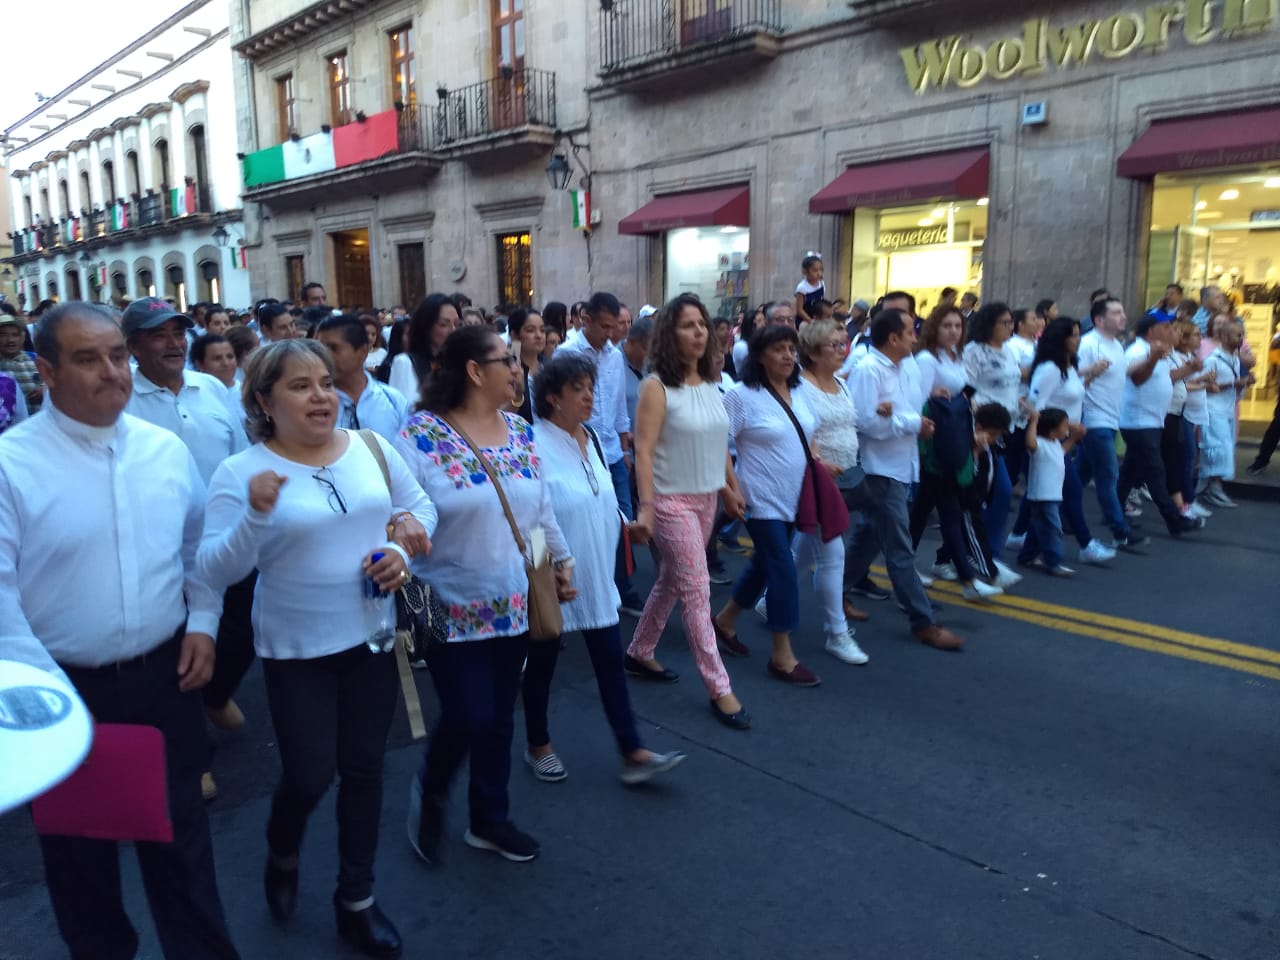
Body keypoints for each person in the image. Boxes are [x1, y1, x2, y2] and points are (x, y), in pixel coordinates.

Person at [0, 302, 240, 960]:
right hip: (66, 689)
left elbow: (198, 551)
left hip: (166, 679)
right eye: (87, 358)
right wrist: (47, 698)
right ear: (45, 371)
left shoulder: (163, 451)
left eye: (116, 355)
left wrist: (203, 622)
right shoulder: (11, 464)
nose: (112, 371)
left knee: (182, 843)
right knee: (82, 862)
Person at [199, 339, 434, 959]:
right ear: (263, 402)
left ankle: (355, 900)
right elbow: (215, 570)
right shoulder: (240, 472)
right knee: (310, 773)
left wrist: (403, 552)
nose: (321, 395)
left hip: (373, 639)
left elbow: (420, 508)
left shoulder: (371, 449)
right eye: (300, 385)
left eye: (325, 382)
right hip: (295, 649)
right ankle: (283, 845)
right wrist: (254, 514)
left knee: (363, 768)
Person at [398, 325, 573, 866]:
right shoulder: (420, 436)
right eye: (506, 361)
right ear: (475, 371)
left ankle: (488, 819)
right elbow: (400, 510)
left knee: (499, 716)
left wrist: (556, 565)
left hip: (513, 601)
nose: (518, 369)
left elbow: (537, 512)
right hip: (446, 604)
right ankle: (430, 789)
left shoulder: (520, 431)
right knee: (470, 714)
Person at [520, 353, 687, 785]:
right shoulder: (531, 444)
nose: (590, 396)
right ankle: (538, 744)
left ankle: (632, 750)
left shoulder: (592, 437)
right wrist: (544, 571)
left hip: (594, 570)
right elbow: (530, 516)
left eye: (592, 387)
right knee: (541, 663)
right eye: (579, 389)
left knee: (611, 662)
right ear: (553, 399)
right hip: (553, 574)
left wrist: (624, 526)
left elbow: (599, 497)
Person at [123, 297, 252, 800]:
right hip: (162, 550)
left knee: (240, 631)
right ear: (133, 346)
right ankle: (194, 754)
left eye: (178, 332)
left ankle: (216, 693)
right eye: (159, 335)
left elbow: (241, 455)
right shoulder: (123, 397)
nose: (175, 343)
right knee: (179, 653)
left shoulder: (211, 390)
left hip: (226, 539)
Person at [626, 294, 749, 729]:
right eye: (687, 325)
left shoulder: (712, 383)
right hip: (670, 501)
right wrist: (646, 508)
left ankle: (640, 651)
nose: (699, 332)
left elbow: (718, 445)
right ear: (669, 334)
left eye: (702, 324)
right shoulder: (656, 387)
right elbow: (642, 450)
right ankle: (720, 687)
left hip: (706, 500)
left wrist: (730, 488)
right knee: (698, 591)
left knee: (673, 582)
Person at [844, 308, 963, 651]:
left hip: (901, 465)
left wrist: (911, 417)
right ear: (893, 338)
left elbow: (907, 408)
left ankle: (836, 591)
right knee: (899, 546)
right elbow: (865, 422)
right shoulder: (869, 370)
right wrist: (910, 423)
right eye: (911, 331)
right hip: (878, 468)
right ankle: (922, 620)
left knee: (871, 536)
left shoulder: (905, 367)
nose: (917, 336)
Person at [711, 324, 822, 687]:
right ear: (760, 355)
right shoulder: (741, 396)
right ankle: (782, 655)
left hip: (796, 495)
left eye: (792, 348)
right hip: (758, 497)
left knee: (763, 563)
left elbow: (809, 431)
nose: (788, 355)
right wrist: (731, 488)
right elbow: (718, 443)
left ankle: (725, 620)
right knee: (782, 567)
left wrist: (817, 457)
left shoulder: (801, 390)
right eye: (779, 349)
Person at [788, 319, 870, 661]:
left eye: (844, 343)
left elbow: (851, 423)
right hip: (816, 480)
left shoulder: (841, 383)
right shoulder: (800, 388)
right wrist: (818, 461)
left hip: (845, 478)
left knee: (805, 548)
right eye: (834, 345)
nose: (842, 350)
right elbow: (798, 432)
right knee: (832, 552)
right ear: (812, 352)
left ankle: (764, 597)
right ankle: (836, 633)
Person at [910, 305, 1005, 599]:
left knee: (923, 510)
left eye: (957, 326)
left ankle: (900, 563)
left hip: (955, 438)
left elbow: (963, 394)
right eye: (946, 325)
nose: (953, 331)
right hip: (936, 446)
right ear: (934, 328)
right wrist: (932, 396)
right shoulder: (927, 359)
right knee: (950, 509)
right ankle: (968, 581)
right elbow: (916, 402)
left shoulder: (955, 358)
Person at [556, 292, 642, 615]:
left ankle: (620, 585)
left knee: (620, 521)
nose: (610, 333)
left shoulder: (614, 356)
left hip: (613, 453)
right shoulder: (566, 353)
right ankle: (571, 586)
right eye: (605, 326)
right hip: (579, 451)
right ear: (586, 320)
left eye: (615, 326)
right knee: (578, 523)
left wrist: (623, 446)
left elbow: (619, 406)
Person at [1021, 317, 1116, 565]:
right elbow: (1034, 407)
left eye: (1078, 334)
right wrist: (1065, 426)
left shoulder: (1068, 367)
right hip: (1047, 442)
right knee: (1070, 490)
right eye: (1072, 335)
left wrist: (1090, 377)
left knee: (1042, 497)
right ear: (1060, 339)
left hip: (1064, 439)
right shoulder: (1050, 369)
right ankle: (1086, 544)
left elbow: (1070, 395)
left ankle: (1027, 548)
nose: (1077, 339)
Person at [1117, 315, 1204, 538]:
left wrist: (1190, 369)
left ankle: (1114, 510)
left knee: (1129, 473)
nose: (1171, 331)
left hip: (1152, 421)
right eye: (1166, 327)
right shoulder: (1138, 351)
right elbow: (1138, 378)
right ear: (1152, 330)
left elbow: (1167, 377)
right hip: (1139, 423)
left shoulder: (1160, 352)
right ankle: (1175, 520)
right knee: (1156, 473)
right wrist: (1154, 358)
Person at [1075, 298, 1143, 549]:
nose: (1123, 316)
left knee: (1079, 475)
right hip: (1094, 420)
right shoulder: (1088, 344)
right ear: (1099, 319)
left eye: (1123, 312)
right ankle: (1119, 531)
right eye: (1116, 313)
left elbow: (1122, 370)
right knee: (1108, 476)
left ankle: (1059, 518)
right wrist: (1091, 370)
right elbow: (1074, 376)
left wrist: (1154, 357)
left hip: (1110, 419)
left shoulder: (1116, 345)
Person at [963, 302, 1022, 556]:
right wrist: (979, 420)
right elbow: (966, 390)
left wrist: (1023, 407)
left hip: (1008, 427)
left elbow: (1010, 386)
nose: (1010, 327)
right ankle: (986, 554)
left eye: (1012, 322)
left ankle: (983, 552)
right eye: (1005, 322)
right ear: (990, 324)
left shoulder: (1009, 351)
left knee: (995, 493)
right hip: (985, 429)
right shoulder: (974, 351)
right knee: (999, 490)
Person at [317, 314, 411, 442]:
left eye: (334, 348)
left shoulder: (393, 401)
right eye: (320, 349)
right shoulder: (315, 405)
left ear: (362, 351)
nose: (324, 356)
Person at [1016, 406, 1082, 576]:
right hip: (1043, 496)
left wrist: (1074, 437)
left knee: (1038, 528)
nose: (1068, 427)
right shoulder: (1040, 445)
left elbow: (1062, 451)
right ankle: (1054, 562)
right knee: (1053, 529)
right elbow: (1030, 443)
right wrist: (1034, 420)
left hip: (1051, 496)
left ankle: (1027, 556)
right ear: (1053, 431)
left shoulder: (1053, 444)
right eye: (1065, 425)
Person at [1199, 320, 1252, 507]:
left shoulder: (1235, 359)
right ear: (1225, 337)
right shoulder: (1213, 360)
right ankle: (1212, 489)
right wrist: (1232, 384)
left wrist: (1244, 382)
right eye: (1237, 335)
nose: (1241, 338)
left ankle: (1206, 487)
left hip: (1227, 410)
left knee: (1223, 450)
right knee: (1218, 451)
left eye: (1241, 334)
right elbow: (1201, 386)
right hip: (1214, 412)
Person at [389, 293, 460, 402]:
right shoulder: (405, 363)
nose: (453, 330)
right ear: (427, 326)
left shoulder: (456, 364)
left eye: (457, 324)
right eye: (443, 324)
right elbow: (405, 410)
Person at [508, 307, 546, 422]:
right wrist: (518, 395)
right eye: (530, 330)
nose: (539, 335)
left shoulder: (551, 367)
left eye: (542, 330)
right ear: (515, 335)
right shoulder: (508, 370)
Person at [0, 311, 43, 411]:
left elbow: (56, 383)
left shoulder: (36, 359)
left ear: (22, 338)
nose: (10, 340)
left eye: (15, 335)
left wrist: (45, 390)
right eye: (3, 335)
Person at [795, 252, 825, 325]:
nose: (819, 273)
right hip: (805, 319)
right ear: (805, 272)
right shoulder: (802, 288)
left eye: (820, 270)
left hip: (817, 317)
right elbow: (799, 310)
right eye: (815, 270)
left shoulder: (821, 284)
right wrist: (811, 321)